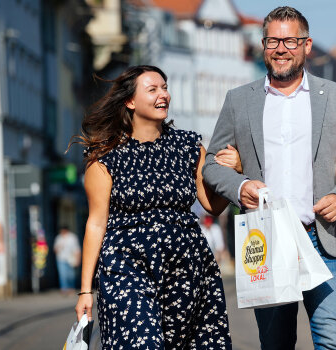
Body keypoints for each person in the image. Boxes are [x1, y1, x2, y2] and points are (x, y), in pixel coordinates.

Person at [202, 6, 336, 349]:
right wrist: (239, 186)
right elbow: (211, 164)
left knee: (332, 340)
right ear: (263, 44)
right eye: (272, 40)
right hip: (266, 241)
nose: (280, 48)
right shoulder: (239, 100)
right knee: (276, 343)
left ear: (307, 45)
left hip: (322, 237)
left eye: (290, 40)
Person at [72, 65, 232, 348]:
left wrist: (232, 172)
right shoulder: (105, 157)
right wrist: (86, 291)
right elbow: (96, 223)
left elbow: (212, 205)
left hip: (186, 266)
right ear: (130, 101)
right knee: (141, 342)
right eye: (153, 89)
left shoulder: (189, 147)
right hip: (127, 265)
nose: (164, 95)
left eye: (165, 87)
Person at [53, 225, 80, 295]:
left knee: (71, 275)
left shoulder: (72, 237)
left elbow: (77, 249)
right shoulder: (58, 238)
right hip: (61, 259)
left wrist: (78, 259)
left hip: (70, 259)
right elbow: (55, 249)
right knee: (62, 275)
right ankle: (64, 289)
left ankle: (71, 288)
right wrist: (59, 248)